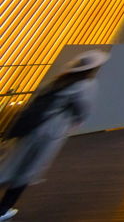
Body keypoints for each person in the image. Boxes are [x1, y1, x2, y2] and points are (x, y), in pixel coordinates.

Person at [0, 49, 108, 220]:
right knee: (27, 170)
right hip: (49, 131)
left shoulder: (58, 80)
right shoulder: (86, 84)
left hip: (27, 128)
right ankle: (4, 209)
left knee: (9, 165)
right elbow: (83, 110)